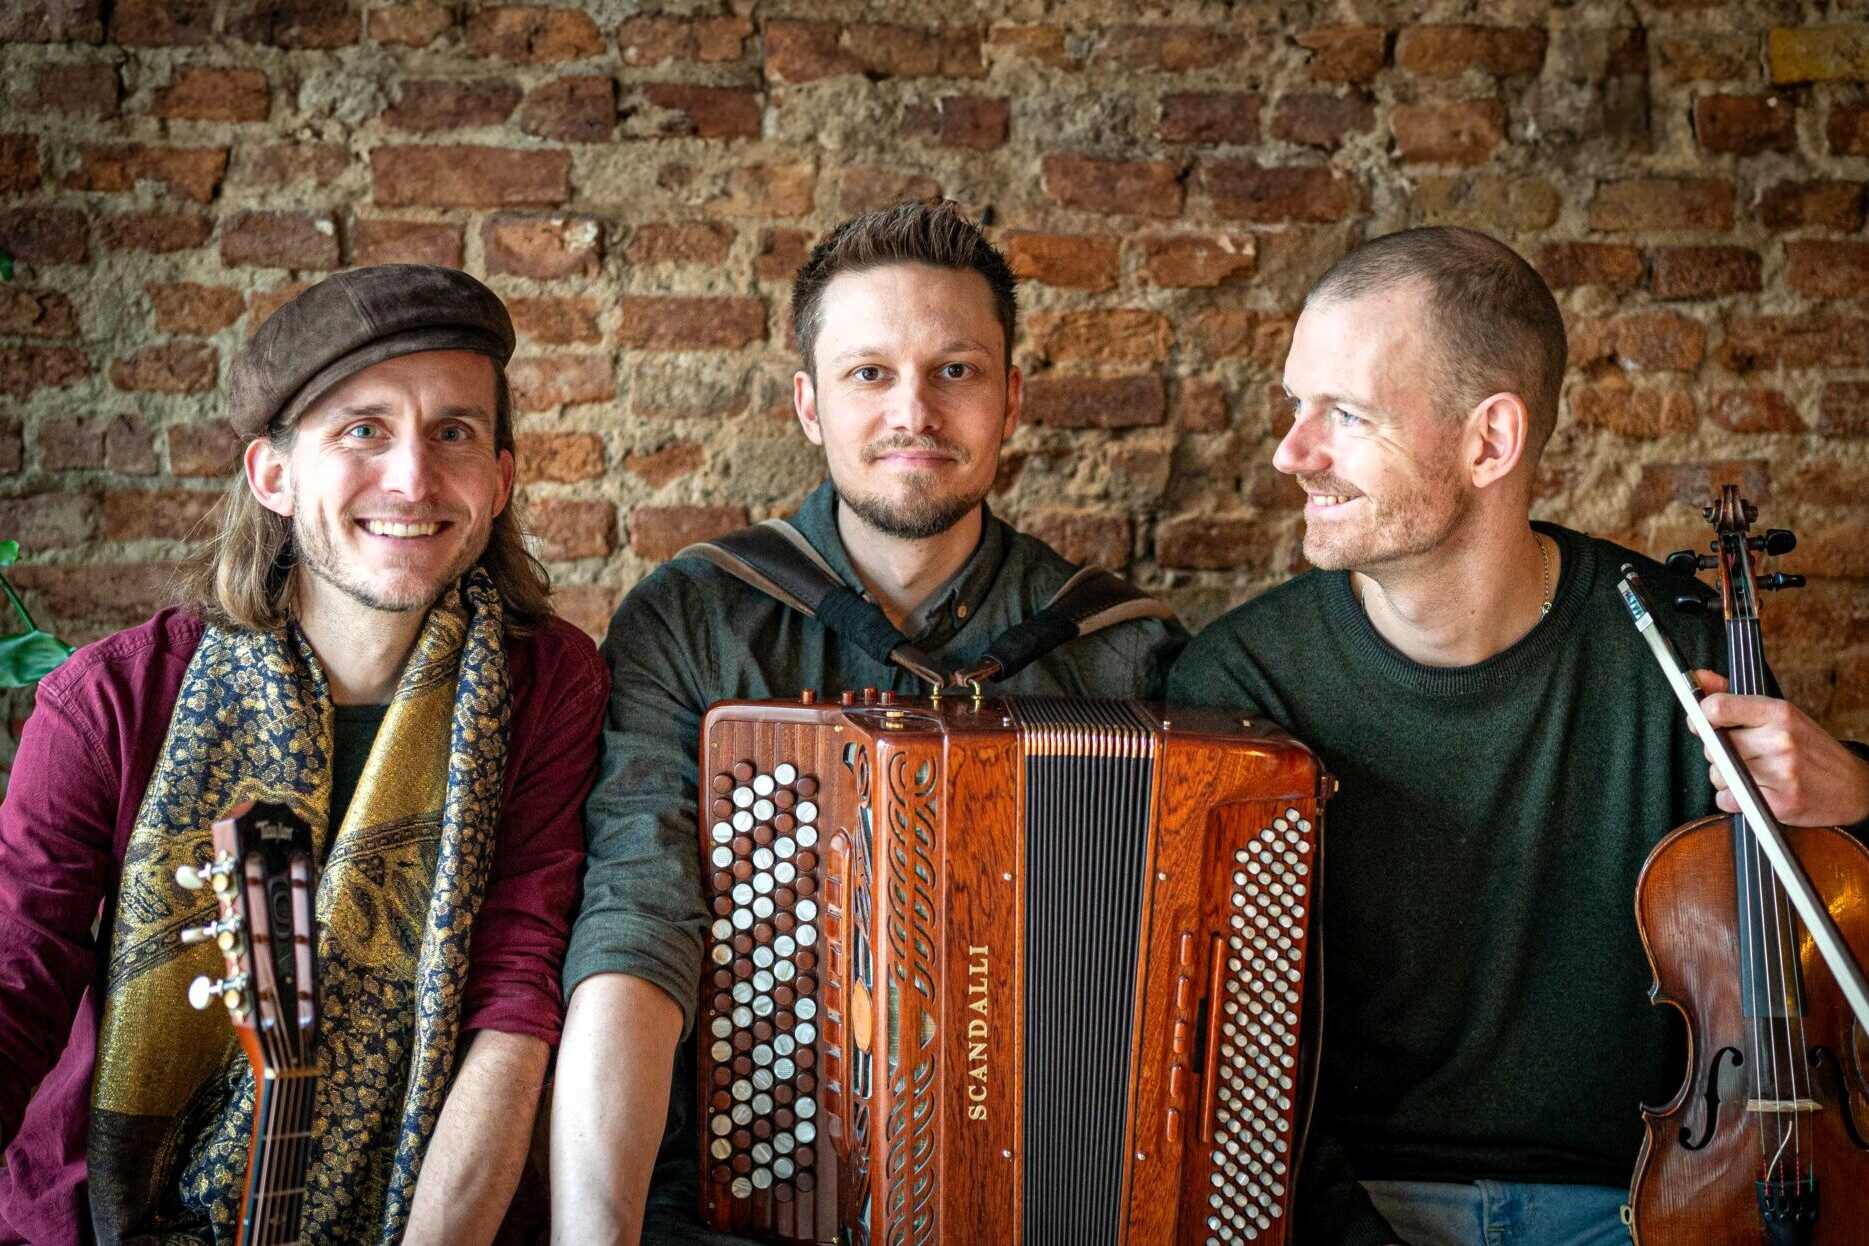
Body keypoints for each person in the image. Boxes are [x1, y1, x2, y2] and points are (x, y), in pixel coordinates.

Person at [1167, 226, 1869, 1246]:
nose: (1292, 452)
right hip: (1348, 1211)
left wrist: (1856, 792)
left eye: (1346, 414)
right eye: (1296, 404)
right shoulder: (1239, 684)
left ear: (1490, 441)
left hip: (1646, 1200)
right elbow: (1220, 1058)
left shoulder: (1673, 652)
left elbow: (1811, 961)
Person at [550, 199, 1186, 1244]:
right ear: (809, 404)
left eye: (956, 370)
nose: (915, 413)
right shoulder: (697, 620)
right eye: (869, 373)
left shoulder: (1122, 646)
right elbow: (637, 926)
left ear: (1012, 398)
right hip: (745, 1203)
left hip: (1053, 1198)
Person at [0, 265, 607, 1245]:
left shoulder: (549, 686)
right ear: (272, 475)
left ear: (499, 478)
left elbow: (516, 990)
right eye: (362, 430)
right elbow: (16, 981)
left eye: (453, 431)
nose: (412, 478)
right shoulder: (111, 703)